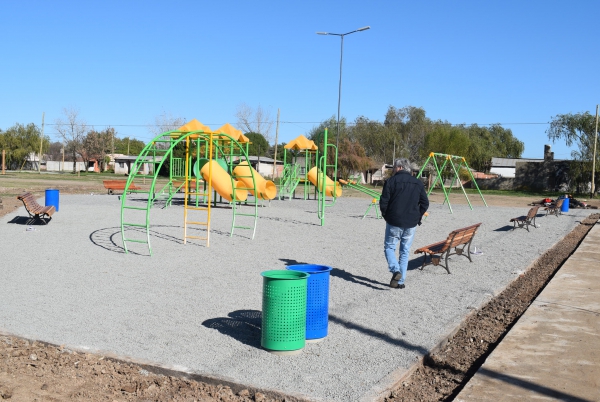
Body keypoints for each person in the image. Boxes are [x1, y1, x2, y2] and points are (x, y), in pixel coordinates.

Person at [379, 158, 429, 289]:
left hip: (394, 221)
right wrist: (417, 217)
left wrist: (386, 216)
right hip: (411, 224)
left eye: (394, 167)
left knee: (389, 247)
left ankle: (395, 270)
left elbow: (383, 202)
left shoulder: (390, 182)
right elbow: (425, 203)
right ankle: (400, 282)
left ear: (399, 167)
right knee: (404, 252)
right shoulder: (418, 183)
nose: (393, 170)